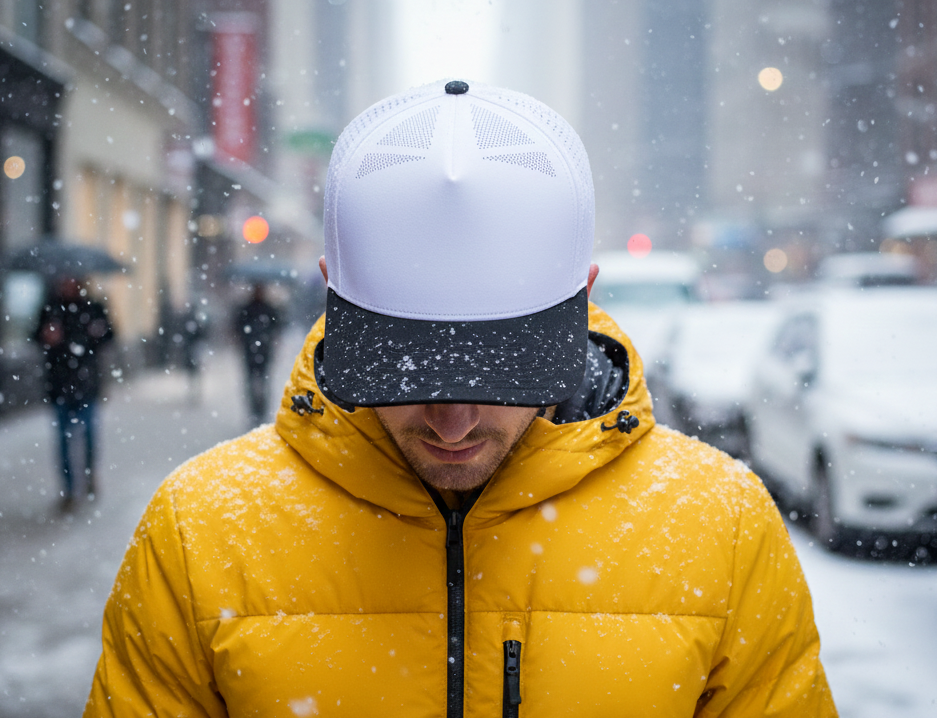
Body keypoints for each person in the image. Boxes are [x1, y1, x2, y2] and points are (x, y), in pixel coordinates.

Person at [84, 81, 836, 717]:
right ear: (329, 292)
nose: (452, 419)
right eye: (404, 370)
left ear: (583, 300)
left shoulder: (721, 525)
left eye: (498, 372)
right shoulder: (201, 530)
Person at [33, 276, 114, 509]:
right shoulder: (50, 309)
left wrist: (100, 332)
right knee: (63, 440)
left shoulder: (93, 307)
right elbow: (35, 337)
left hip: (87, 385)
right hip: (59, 385)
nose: (67, 284)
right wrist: (46, 336)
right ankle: (68, 488)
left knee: (88, 435)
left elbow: (110, 335)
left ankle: (89, 475)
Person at [232, 284, 281, 425]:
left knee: (261, 381)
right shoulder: (252, 308)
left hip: (260, 349)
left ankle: (260, 410)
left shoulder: (263, 308)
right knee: (254, 381)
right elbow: (237, 327)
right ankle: (255, 410)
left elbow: (277, 328)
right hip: (253, 349)